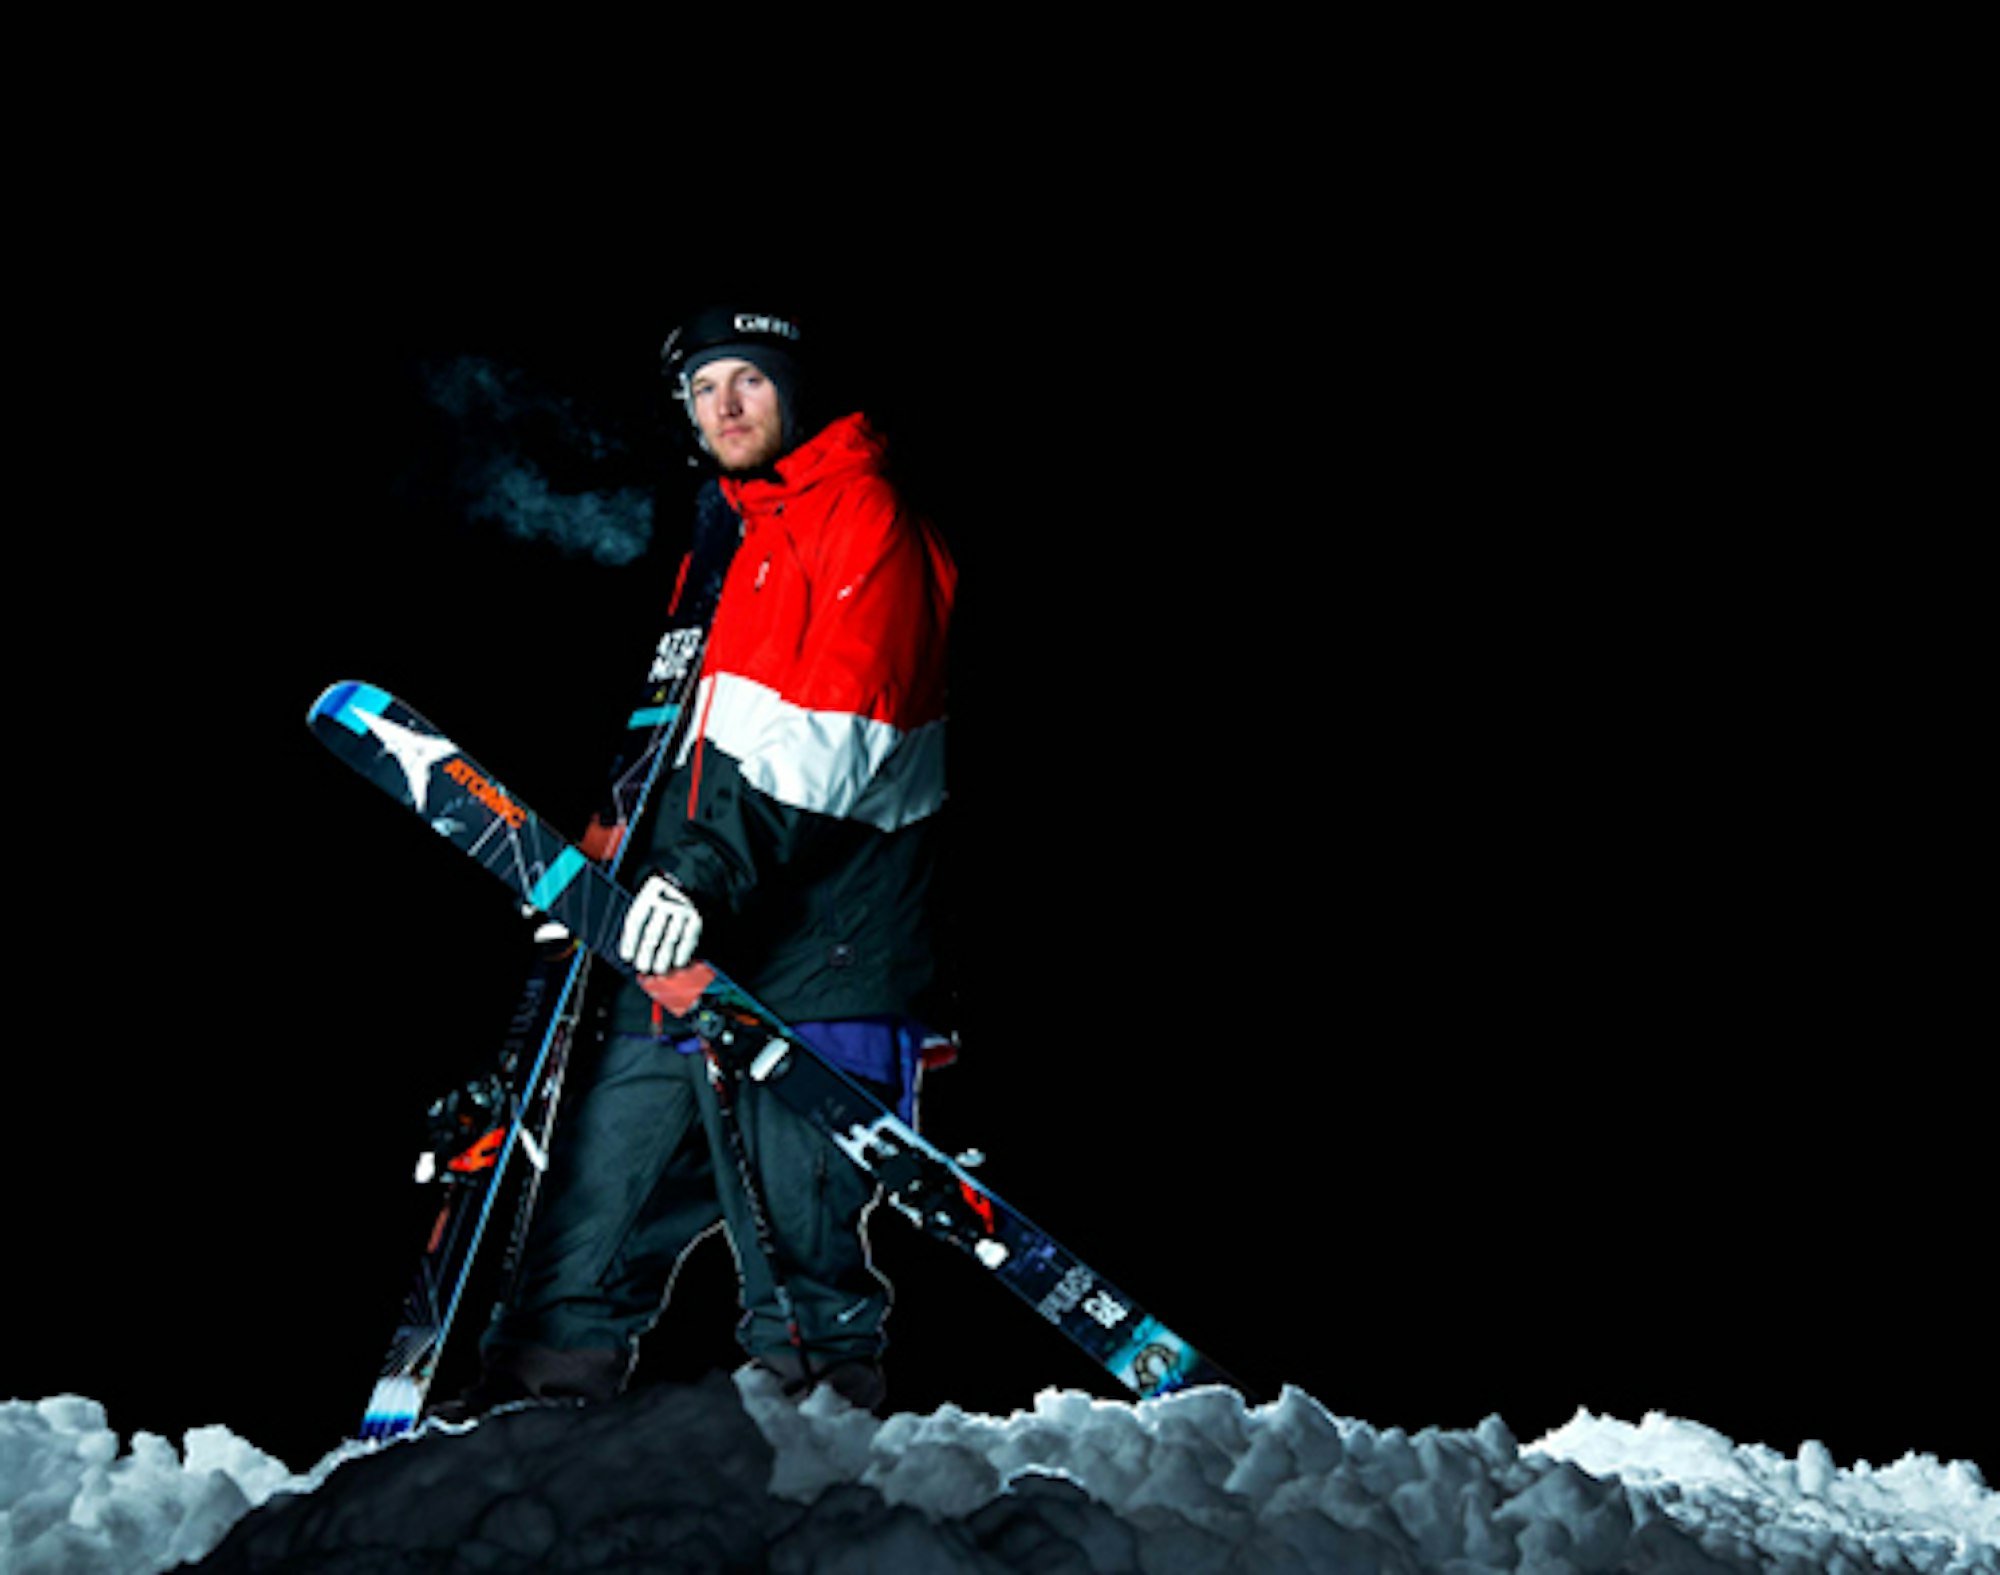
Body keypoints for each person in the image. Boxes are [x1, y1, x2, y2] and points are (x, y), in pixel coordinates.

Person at [440, 306, 957, 1418]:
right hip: (676, 942)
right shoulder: (725, 535)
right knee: (582, 1222)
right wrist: (594, 877)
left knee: (797, 1252)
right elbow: (667, 743)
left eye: (749, 382)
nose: (723, 406)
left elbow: (837, 744)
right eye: (702, 386)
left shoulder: (860, 517)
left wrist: (698, 878)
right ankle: (519, 1455)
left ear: (795, 391)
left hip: (820, 953)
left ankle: (817, 1478)